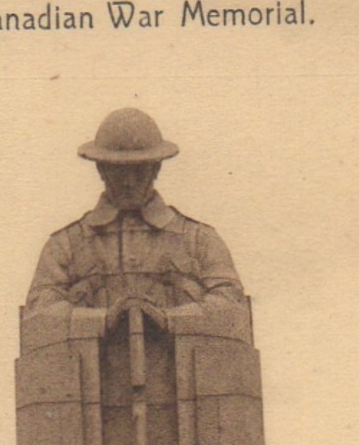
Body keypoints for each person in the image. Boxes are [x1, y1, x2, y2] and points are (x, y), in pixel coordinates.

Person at [25, 108, 244, 330]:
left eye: (139, 170)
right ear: (101, 170)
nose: (128, 182)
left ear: (156, 168)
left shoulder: (200, 241)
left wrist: (171, 320)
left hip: (182, 364)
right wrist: (101, 321)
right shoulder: (65, 246)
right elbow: (39, 314)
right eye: (118, 171)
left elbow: (232, 306)